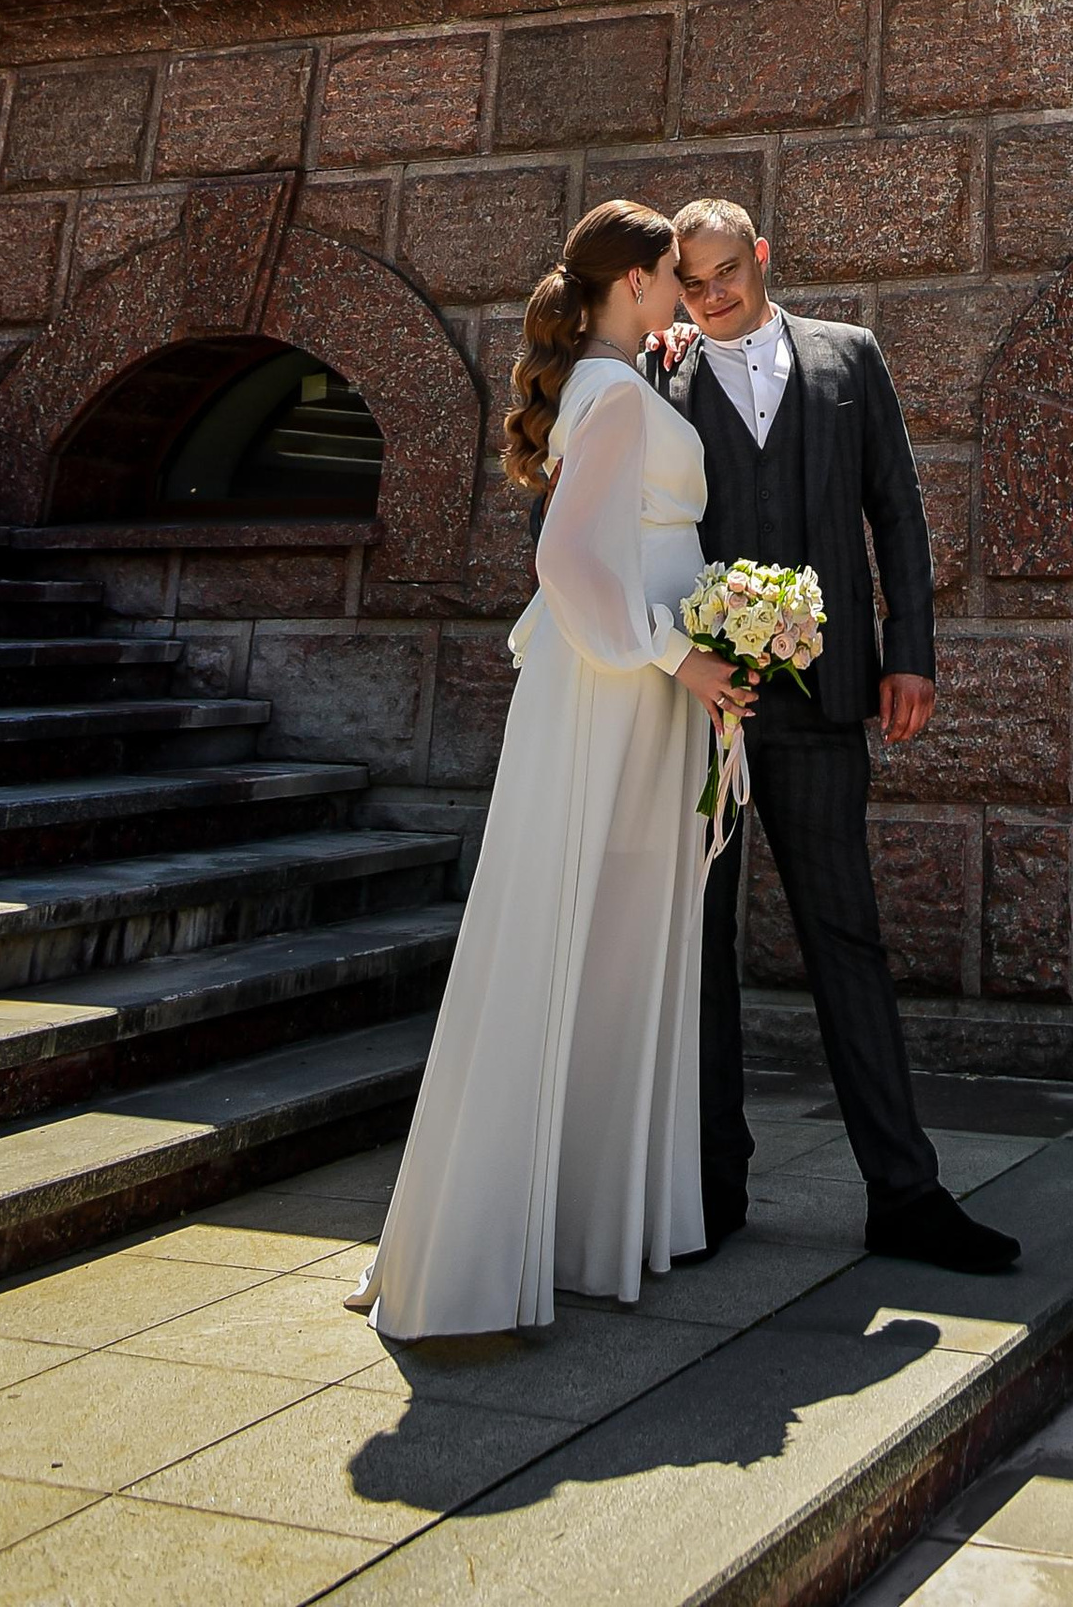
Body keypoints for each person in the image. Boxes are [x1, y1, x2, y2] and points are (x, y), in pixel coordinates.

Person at [345, 200, 752, 1338]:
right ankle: (526, 1235)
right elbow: (567, 555)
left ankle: (573, 1220)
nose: (685, 292)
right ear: (632, 280)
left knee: (610, 935)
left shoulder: (612, 379)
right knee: (580, 929)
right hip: (620, 685)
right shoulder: (614, 392)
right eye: (671, 274)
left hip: (633, 683)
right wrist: (684, 658)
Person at [649, 196, 1019, 1277]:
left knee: (846, 939)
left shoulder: (848, 357)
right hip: (696, 707)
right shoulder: (658, 373)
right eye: (692, 284)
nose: (712, 300)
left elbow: (895, 506)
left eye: (726, 275)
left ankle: (905, 1194)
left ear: (761, 258)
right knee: (698, 947)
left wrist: (913, 649)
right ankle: (710, 1190)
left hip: (824, 697)